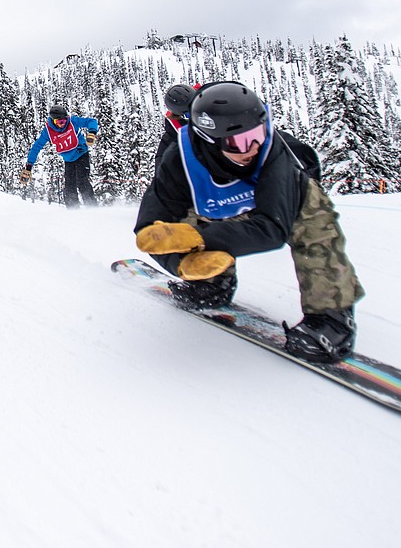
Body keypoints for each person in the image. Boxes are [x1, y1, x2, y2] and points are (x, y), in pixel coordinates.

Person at [133, 80, 364, 363]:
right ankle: (211, 285)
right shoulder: (178, 159)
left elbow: (273, 229)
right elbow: (150, 229)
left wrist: (204, 238)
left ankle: (332, 318)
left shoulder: (272, 152)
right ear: (209, 140)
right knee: (180, 228)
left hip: (285, 197)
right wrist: (179, 264)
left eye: (258, 133)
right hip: (218, 201)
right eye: (239, 141)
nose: (253, 147)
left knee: (314, 228)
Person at [20, 104, 100, 208]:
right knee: (69, 187)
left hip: (81, 154)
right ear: (53, 121)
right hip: (68, 160)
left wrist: (92, 132)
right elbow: (36, 147)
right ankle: (73, 211)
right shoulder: (48, 131)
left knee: (82, 182)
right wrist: (28, 167)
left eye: (64, 121)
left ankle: (92, 209)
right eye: (59, 122)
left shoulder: (72, 121)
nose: (62, 124)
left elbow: (91, 121)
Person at [155, 83, 197, 166]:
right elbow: (162, 169)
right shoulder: (172, 140)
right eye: (190, 114)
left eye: (198, 106)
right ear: (180, 117)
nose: (197, 114)